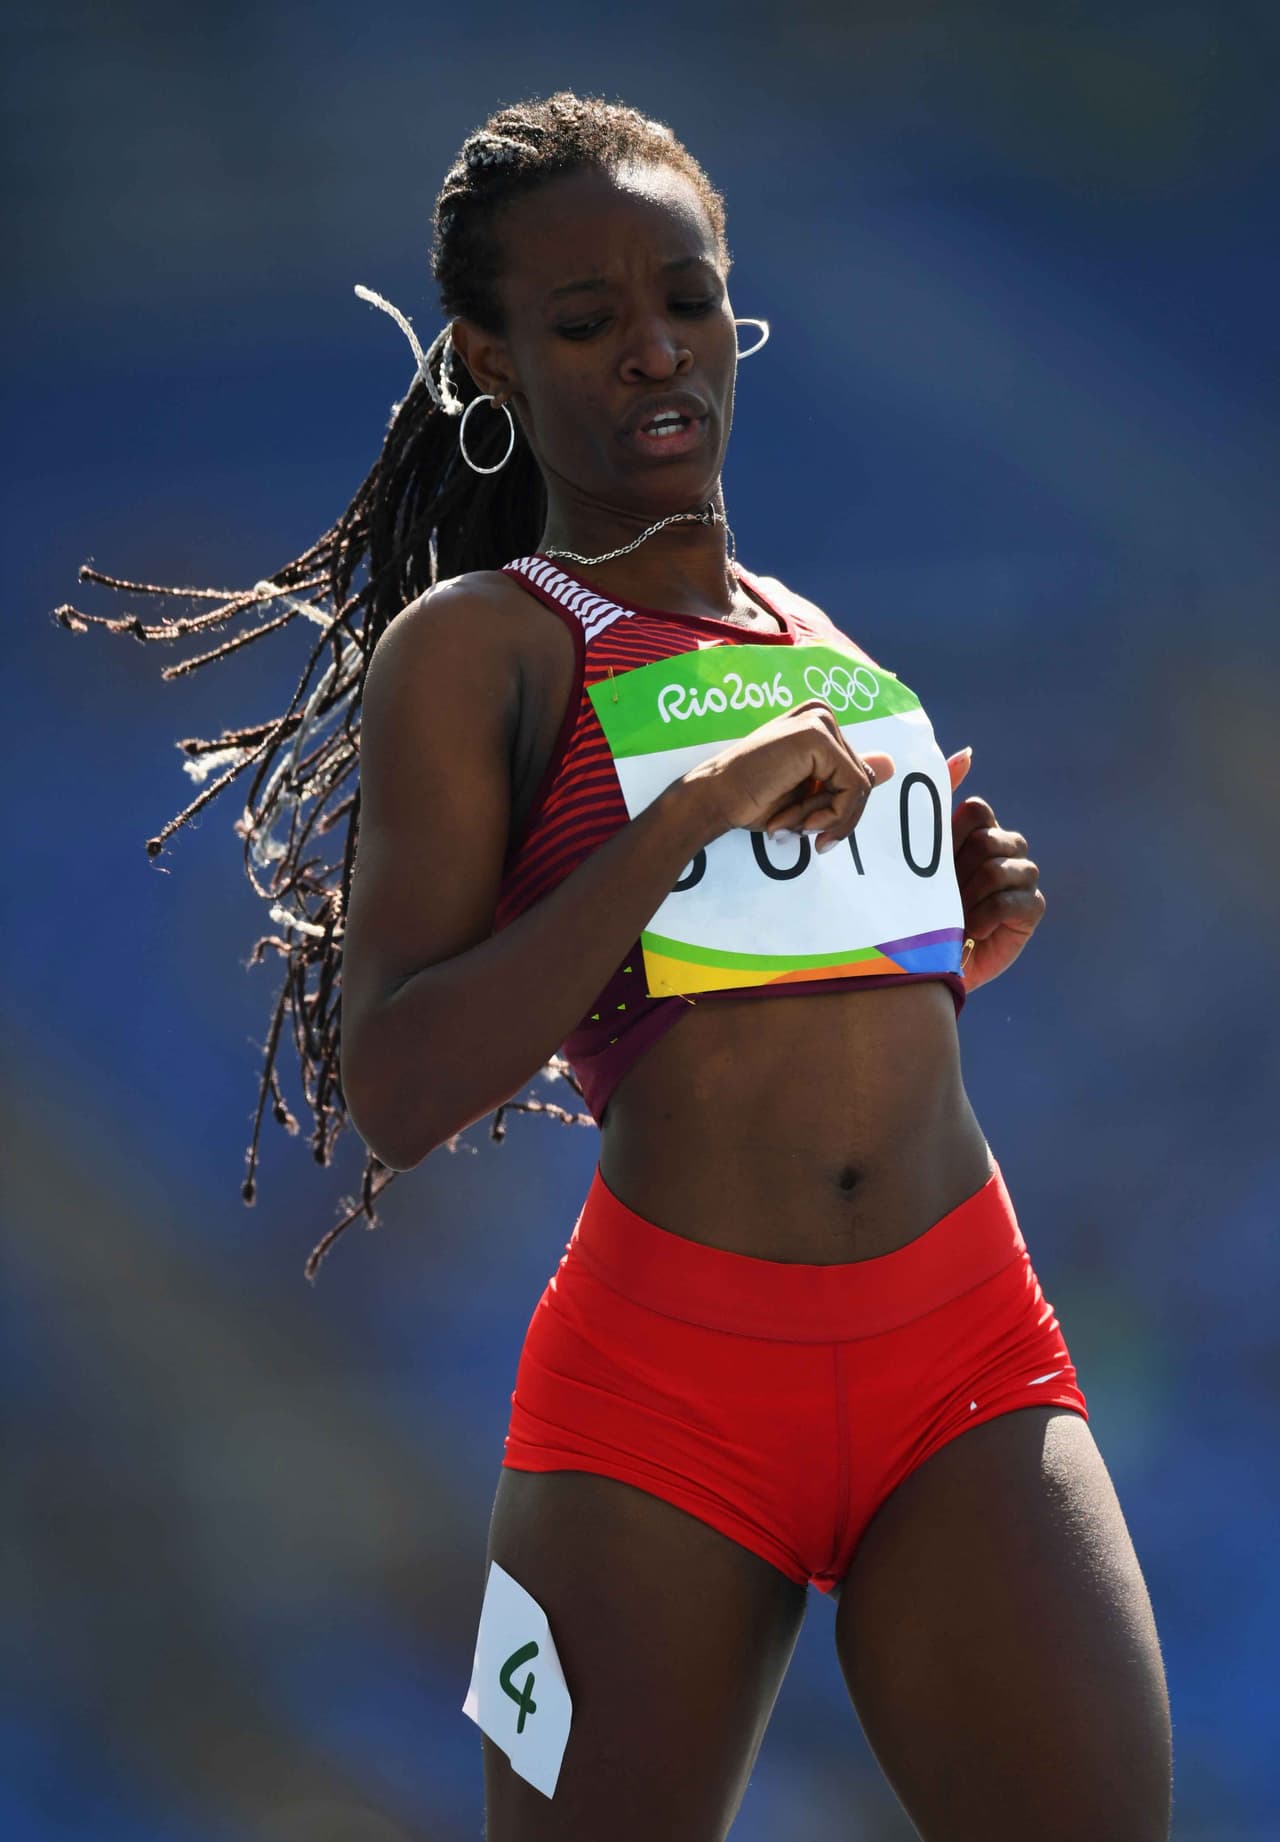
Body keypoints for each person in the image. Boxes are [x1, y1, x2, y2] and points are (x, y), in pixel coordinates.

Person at [58, 93, 1172, 1842]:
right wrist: (681, 829)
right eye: (587, 322)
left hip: (967, 1340)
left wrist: (961, 936)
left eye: (688, 298)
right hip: (667, 1395)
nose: (655, 348)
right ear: (491, 364)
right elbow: (402, 1088)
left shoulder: (831, 642)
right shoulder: (487, 645)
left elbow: (782, 1011)